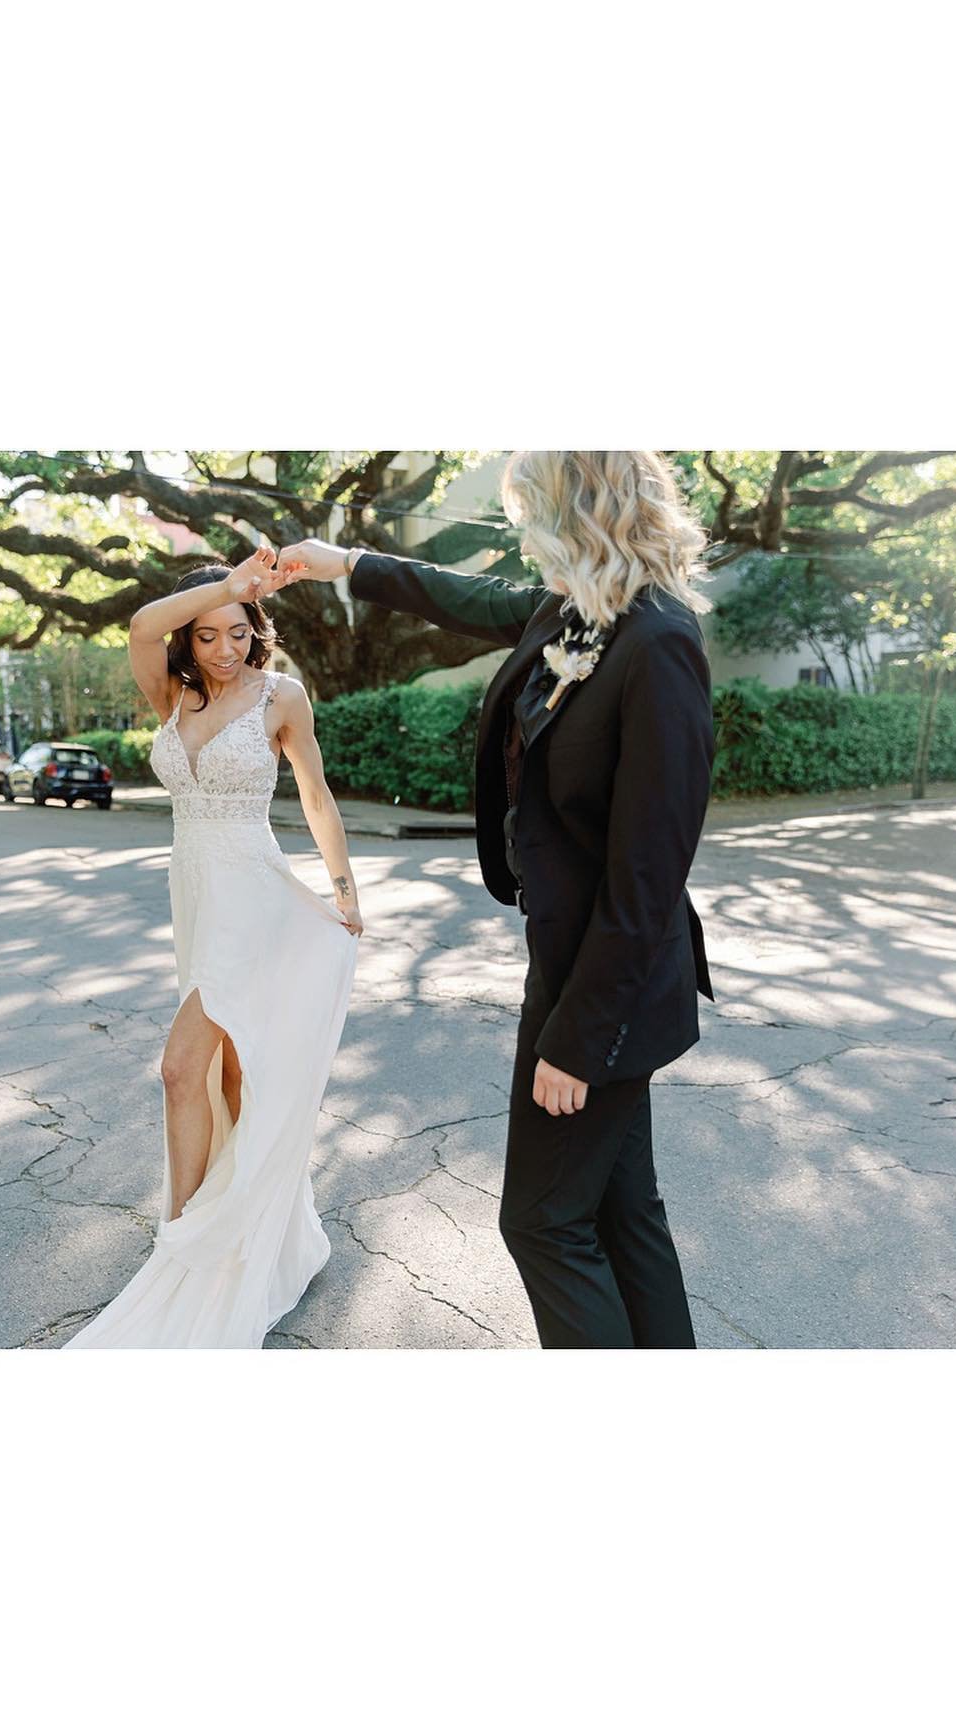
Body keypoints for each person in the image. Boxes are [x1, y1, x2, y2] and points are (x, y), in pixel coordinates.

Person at [275, 451, 715, 1349]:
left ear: (579, 516)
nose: (520, 535)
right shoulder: (573, 612)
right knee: (625, 1215)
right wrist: (342, 563)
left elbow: (647, 878)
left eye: (532, 515)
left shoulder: (659, 642)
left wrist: (579, 1042)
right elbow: (462, 597)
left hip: (605, 985)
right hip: (569, 958)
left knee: (545, 1224)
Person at [64, 547, 362, 1349]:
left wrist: (343, 892)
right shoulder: (172, 693)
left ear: (255, 632)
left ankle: (182, 1236)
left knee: (180, 1068)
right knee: (227, 1071)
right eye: (207, 636)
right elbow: (135, 626)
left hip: (255, 900)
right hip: (196, 896)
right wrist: (222, 586)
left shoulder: (281, 696)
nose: (226, 649)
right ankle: (225, 1216)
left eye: (238, 631)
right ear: (186, 646)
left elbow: (315, 793)